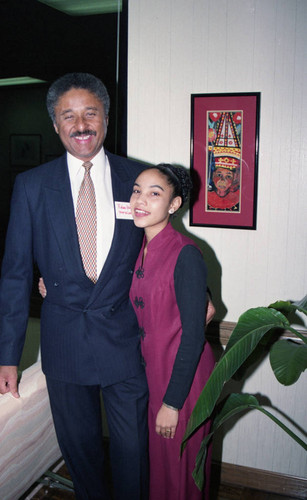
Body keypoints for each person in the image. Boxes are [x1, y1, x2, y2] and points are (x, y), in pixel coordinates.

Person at [0, 73, 149, 500]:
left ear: (105, 117)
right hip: (64, 341)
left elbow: (164, 249)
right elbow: (14, 274)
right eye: (69, 116)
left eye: (90, 113)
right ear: (55, 124)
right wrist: (7, 356)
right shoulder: (31, 187)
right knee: (81, 455)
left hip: (125, 338)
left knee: (133, 452)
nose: (81, 124)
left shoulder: (137, 178)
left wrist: (202, 295)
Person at [129, 164, 215, 500]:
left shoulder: (185, 254)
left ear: (174, 204)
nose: (141, 199)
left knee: (181, 474)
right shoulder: (138, 246)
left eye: (155, 193)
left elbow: (194, 336)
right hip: (153, 377)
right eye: (137, 190)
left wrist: (172, 403)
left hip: (182, 382)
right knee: (161, 472)